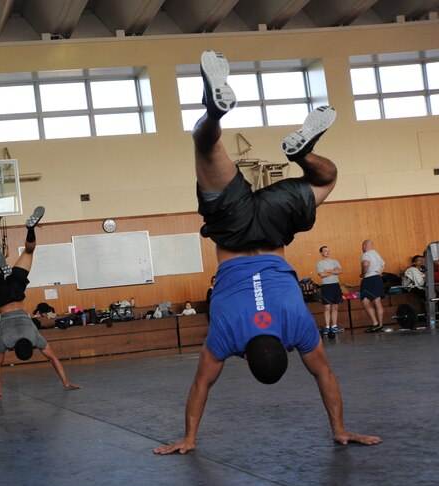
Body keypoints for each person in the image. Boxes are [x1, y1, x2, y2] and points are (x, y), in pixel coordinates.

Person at [153, 51, 381, 455]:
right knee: (205, 144)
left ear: (286, 349)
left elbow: (324, 374)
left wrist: (341, 427)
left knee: (326, 177)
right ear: (244, 356)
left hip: (275, 228)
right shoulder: (225, 339)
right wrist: (188, 438)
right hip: (232, 229)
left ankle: (301, 154)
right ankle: (213, 111)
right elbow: (200, 385)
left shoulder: (298, 329)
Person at [0, 207, 81, 398]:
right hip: (0, 298)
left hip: (17, 292)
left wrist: (66, 380)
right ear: (15, 349)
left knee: (29, 252)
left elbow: (54, 359)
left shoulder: (36, 339)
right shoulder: (5, 343)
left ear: (30, 345)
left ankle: (30, 229)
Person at [316, 245, 344, 335]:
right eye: (325, 251)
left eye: (328, 251)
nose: (327, 252)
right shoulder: (319, 263)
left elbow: (340, 271)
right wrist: (333, 271)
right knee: (327, 307)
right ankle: (327, 327)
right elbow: (322, 274)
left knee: (336, 306)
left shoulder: (335, 261)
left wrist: (328, 271)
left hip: (335, 285)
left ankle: (334, 326)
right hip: (326, 286)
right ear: (321, 253)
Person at [359, 239, 386, 333]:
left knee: (364, 301)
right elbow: (383, 264)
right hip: (377, 278)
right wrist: (378, 273)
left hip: (368, 279)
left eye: (362, 246)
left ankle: (375, 323)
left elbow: (366, 265)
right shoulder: (376, 254)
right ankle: (380, 325)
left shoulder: (365, 255)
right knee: (377, 302)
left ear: (364, 246)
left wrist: (362, 274)